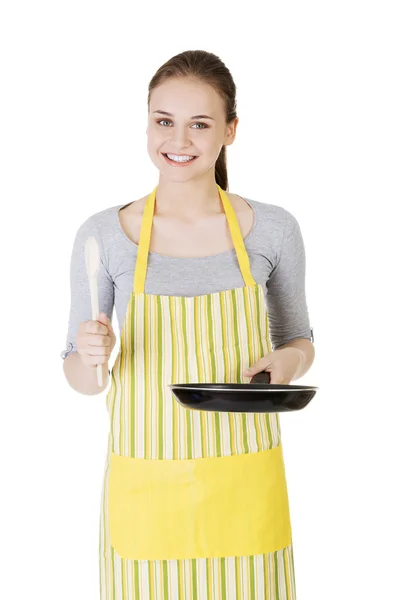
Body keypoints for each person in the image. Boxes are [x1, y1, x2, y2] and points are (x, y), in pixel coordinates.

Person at [62, 49, 315, 600]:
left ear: (230, 130)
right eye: (164, 122)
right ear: (147, 124)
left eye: (200, 124)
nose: (179, 141)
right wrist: (88, 356)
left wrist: (288, 362)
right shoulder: (104, 234)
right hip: (147, 488)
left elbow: (299, 340)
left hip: (245, 484)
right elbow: (85, 381)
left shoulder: (271, 229)